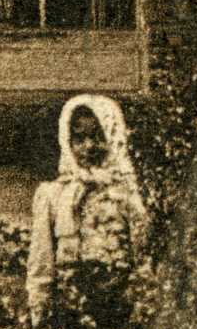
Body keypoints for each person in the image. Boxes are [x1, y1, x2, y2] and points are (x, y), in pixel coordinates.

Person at [25, 92, 147, 317]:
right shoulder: (54, 195)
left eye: (98, 137)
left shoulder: (126, 194)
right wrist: (39, 311)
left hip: (118, 308)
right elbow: (41, 262)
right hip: (70, 309)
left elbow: (143, 259)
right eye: (79, 139)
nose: (89, 147)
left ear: (112, 137)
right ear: (67, 141)